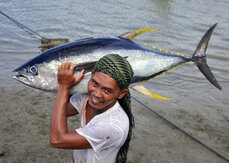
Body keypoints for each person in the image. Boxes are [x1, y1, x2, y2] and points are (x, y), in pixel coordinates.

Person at [50, 54, 134, 163]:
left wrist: (63, 87)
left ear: (122, 93)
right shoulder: (85, 99)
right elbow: (62, 112)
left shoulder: (112, 126)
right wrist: (71, 83)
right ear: (92, 74)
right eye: (95, 83)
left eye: (107, 90)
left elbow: (56, 140)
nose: (97, 94)